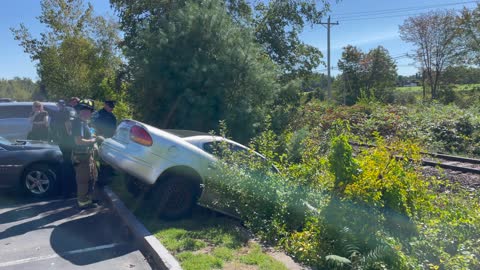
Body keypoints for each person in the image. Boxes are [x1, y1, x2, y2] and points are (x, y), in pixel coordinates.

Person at [71, 99, 104, 209]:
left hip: (86, 155)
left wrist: (93, 137)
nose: (87, 112)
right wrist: (94, 141)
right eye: (85, 110)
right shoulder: (78, 123)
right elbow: (78, 141)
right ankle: (83, 202)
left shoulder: (83, 123)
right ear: (80, 111)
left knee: (90, 177)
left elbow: (86, 136)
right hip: (81, 155)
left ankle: (88, 199)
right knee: (83, 180)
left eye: (89, 110)